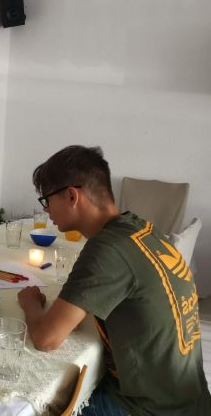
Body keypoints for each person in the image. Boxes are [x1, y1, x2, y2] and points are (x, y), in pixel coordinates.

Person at [18, 145, 211, 416]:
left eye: (47, 200)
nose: (47, 209)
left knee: (33, 401)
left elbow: (46, 339)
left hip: (149, 408)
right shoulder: (141, 229)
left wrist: (30, 303)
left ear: (72, 196)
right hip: (190, 400)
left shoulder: (108, 248)